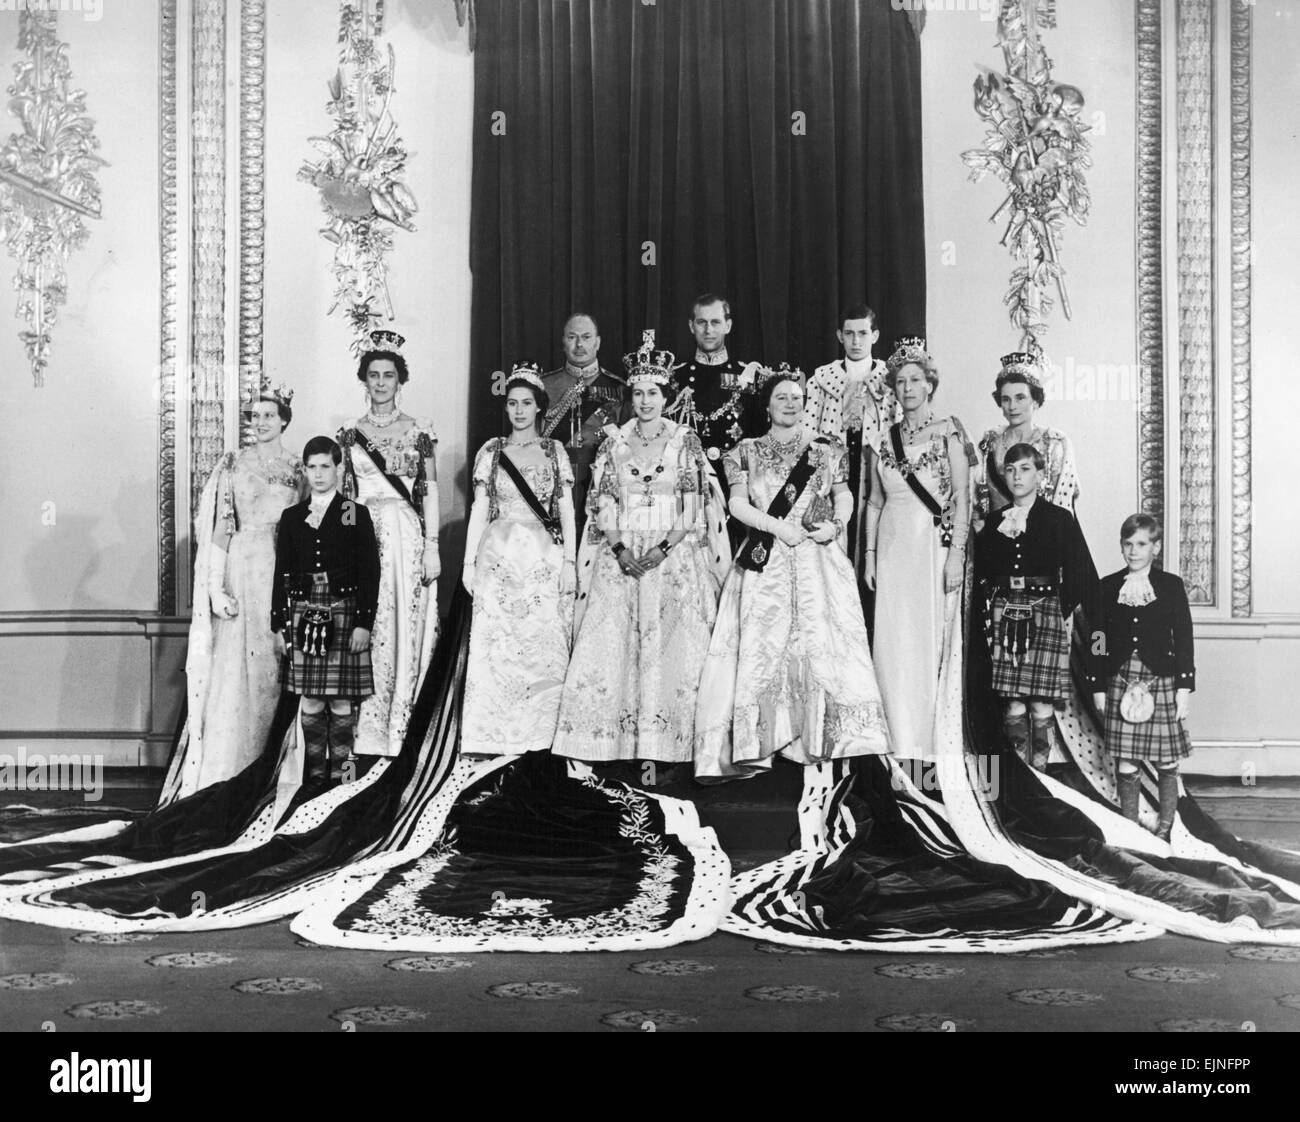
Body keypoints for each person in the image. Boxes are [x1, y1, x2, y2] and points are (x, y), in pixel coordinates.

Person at [694, 371, 890, 778]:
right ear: (767, 405)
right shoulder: (745, 451)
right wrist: (777, 527)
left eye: (797, 398)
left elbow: (844, 495)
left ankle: (817, 738)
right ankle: (763, 741)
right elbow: (736, 505)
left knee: (819, 640)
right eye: (781, 397)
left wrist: (835, 525)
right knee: (766, 645)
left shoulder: (827, 449)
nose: (790, 404)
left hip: (817, 556)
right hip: (767, 555)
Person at [552, 332, 727, 766]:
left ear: (666, 396)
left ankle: (671, 744)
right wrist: (619, 546)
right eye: (638, 393)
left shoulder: (684, 440)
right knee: (616, 644)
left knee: (675, 648)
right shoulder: (613, 441)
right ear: (629, 396)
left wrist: (665, 548)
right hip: (624, 553)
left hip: (675, 553)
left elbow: (693, 505)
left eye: (653, 392)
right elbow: (603, 500)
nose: (645, 400)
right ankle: (610, 742)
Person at [162, 385, 305, 802]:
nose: (258, 422)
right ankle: (229, 770)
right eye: (253, 416)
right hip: (242, 567)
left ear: (283, 420)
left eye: (266, 415)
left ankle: (271, 769)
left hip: (282, 567)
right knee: (235, 668)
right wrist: (214, 588)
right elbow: (223, 529)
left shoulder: (300, 468)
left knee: (275, 666)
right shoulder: (232, 465)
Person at [863, 338, 973, 760]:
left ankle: (932, 746)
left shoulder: (950, 432)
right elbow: (874, 502)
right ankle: (896, 742)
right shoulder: (881, 440)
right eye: (900, 381)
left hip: (933, 549)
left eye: (916, 380)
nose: (907, 387)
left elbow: (963, 497)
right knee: (896, 643)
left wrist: (958, 555)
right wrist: (870, 556)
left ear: (930, 385)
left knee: (929, 643)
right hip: (893, 550)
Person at [461, 365, 577, 755]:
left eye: (527, 403)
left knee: (540, 642)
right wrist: (467, 562)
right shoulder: (492, 452)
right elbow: (480, 508)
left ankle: (540, 735)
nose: (519, 410)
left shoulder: (553, 451)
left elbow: (566, 510)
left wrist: (571, 564)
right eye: (512, 403)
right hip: (498, 554)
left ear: (539, 407)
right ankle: (490, 734)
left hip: (543, 554)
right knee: (499, 645)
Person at [337, 330, 440, 759]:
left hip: (405, 535)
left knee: (402, 621)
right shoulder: (348, 433)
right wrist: (344, 543)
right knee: (370, 621)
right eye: (374, 375)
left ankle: (401, 724)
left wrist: (433, 545)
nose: (381, 383)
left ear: (401, 381)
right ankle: (365, 728)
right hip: (364, 533)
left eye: (389, 376)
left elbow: (430, 490)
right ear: (365, 380)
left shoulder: (419, 431)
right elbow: (345, 495)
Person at [973, 443, 1099, 770]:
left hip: (1045, 610)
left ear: (1040, 475)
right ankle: (1021, 776)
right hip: (1004, 612)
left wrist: (1058, 608)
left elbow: (1081, 572)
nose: (1017, 476)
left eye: (1025, 469)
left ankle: (1040, 774)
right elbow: (983, 574)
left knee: (1042, 701)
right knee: (1013, 701)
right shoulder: (993, 521)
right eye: (1011, 470)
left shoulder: (1058, 519)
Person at [271, 437, 380, 789]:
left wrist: (363, 622)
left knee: (342, 701)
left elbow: (369, 572)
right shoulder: (292, 517)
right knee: (313, 699)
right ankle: (315, 780)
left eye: (325, 467)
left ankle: (344, 783)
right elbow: (282, 572)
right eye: (312, 467)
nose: (318, 474)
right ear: (304, 470)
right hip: (305, 614)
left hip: (344, 611)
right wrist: (279, 624)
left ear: (339, 469)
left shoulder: (353, 512)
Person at [1088, 514, 1194, 840]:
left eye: (1142, 544)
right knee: (1126, 761)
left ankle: (1165, 828)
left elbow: (1184, 637)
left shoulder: (1171, 586)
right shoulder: (1106, 587)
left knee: (1165, 759)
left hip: (1161, 679)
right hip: (1119, 679)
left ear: (1155, 547)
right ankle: (1130, 828)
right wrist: (1097, 684)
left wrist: (1184, 687)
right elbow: (1097, 637)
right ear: (1121, 545)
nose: (1134, 551)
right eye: (1128, 544)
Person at [806, 303, 899, 574]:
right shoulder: (821, 380)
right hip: (834, 475)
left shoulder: (890, 381)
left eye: (862, 333)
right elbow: (810, 432)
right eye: (849, 333)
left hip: (875, 473)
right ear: (839, 336)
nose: (856, 341)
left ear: (875, 336)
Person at [669, 293, 761, 544]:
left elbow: (759, 438)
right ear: (691, 326)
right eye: (701, 322)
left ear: (728, 326)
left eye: (716, 322)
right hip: (688, 487)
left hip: (736, 488)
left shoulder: (749, 376)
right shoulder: (674, 378)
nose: (708, 330)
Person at [540, 312, 630, 536]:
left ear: (597, 342)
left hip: (599, 487)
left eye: (586, 337)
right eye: (572, 337)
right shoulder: (543, 386)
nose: (579, 344)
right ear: (563, 341)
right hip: (554, 486)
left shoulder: (619, 389)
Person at [976, 352, 1079, 525]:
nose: (1012, 406)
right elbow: (980, 497)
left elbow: (1062, 502)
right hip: (998, 535)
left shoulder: (1054, 443)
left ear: (1036, 401)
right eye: (1006, 399)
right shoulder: (990, 442)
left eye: (1020, 398)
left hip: (1044, 534)